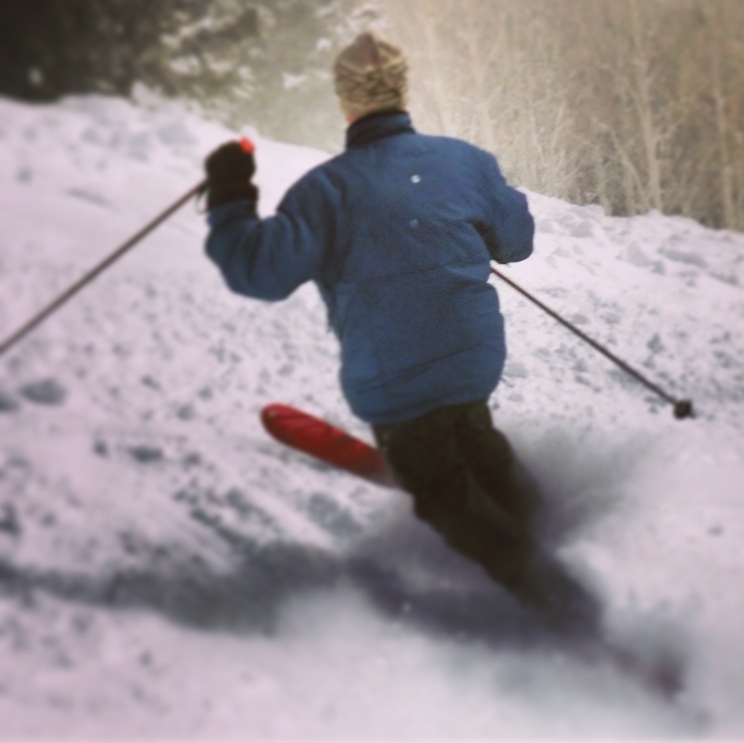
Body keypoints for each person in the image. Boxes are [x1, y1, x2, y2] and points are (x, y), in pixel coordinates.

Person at [202, 31, 600, 637]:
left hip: (398, 385)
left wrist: (230, 192)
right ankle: (543, 525)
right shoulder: (463, 162)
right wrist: (472, 216)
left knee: (443, 492)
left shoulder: (325, 191)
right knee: (474, 441)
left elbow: (258, 271)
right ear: (402, 90)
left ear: (346, 102)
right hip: (471, 361)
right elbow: (515, 240)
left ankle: (558, 602)